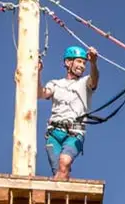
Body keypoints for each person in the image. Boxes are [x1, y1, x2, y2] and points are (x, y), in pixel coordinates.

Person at [38, 45, 99, 180]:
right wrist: (37, 73)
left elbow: (94, 80)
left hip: (74, 133)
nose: (82, 66)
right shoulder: (55, 84)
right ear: (68, 62)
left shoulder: (85, 82)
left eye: (84, 62)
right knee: (59, 174)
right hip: (54, 133)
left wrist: (93, 63)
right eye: (79, 61)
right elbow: (40, 94)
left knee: (64, 163)